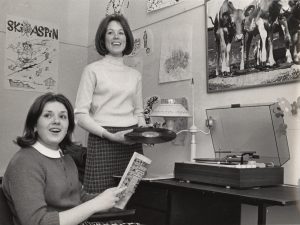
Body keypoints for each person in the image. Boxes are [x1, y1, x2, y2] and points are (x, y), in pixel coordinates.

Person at [2, 92, 125, 225]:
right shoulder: (24, 163)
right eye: (47, 115)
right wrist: (96, 204)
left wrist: (110, 198)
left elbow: (79, 198)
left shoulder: (67, 159)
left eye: (62, 116)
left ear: (68, 127)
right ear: (35, 125)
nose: (56, 121)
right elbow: (36, 222)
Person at [74, 14, 146, 193]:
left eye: (121, 33)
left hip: (132, 140)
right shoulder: (92, 70)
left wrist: (145, 133)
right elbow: (80, 115)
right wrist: (110, 136)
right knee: (97, 199)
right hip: (102, 140)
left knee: (132, 199)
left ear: (127, 38)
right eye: (110, 33)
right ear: (103, 38)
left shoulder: (135, 75)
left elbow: (139, 112)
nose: (116, 37)